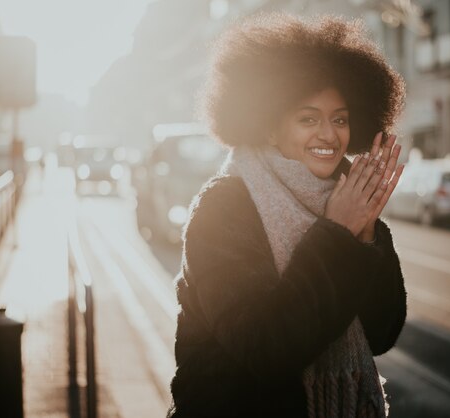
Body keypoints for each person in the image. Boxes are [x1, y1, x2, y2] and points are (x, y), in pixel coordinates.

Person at [167, 13, 407, 418]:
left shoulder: (350, 201)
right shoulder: (222, 209)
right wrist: (337, 235)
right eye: (308, 118)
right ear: (270, 127)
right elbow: (266, 349)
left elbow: (381, 333)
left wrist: (364, 237)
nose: (329, 135)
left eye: (340, 119)